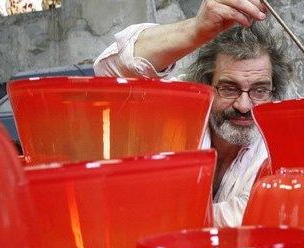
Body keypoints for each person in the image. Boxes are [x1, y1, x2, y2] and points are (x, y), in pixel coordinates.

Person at [93, 0, 293, 227]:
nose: (244, 105)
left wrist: (160, 216)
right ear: (205, 85)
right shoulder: (180, 108)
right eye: (229, 88)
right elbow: (108, 70)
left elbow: (251, 215)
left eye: (260, 90)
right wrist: (195, 30)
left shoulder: (275, 149)